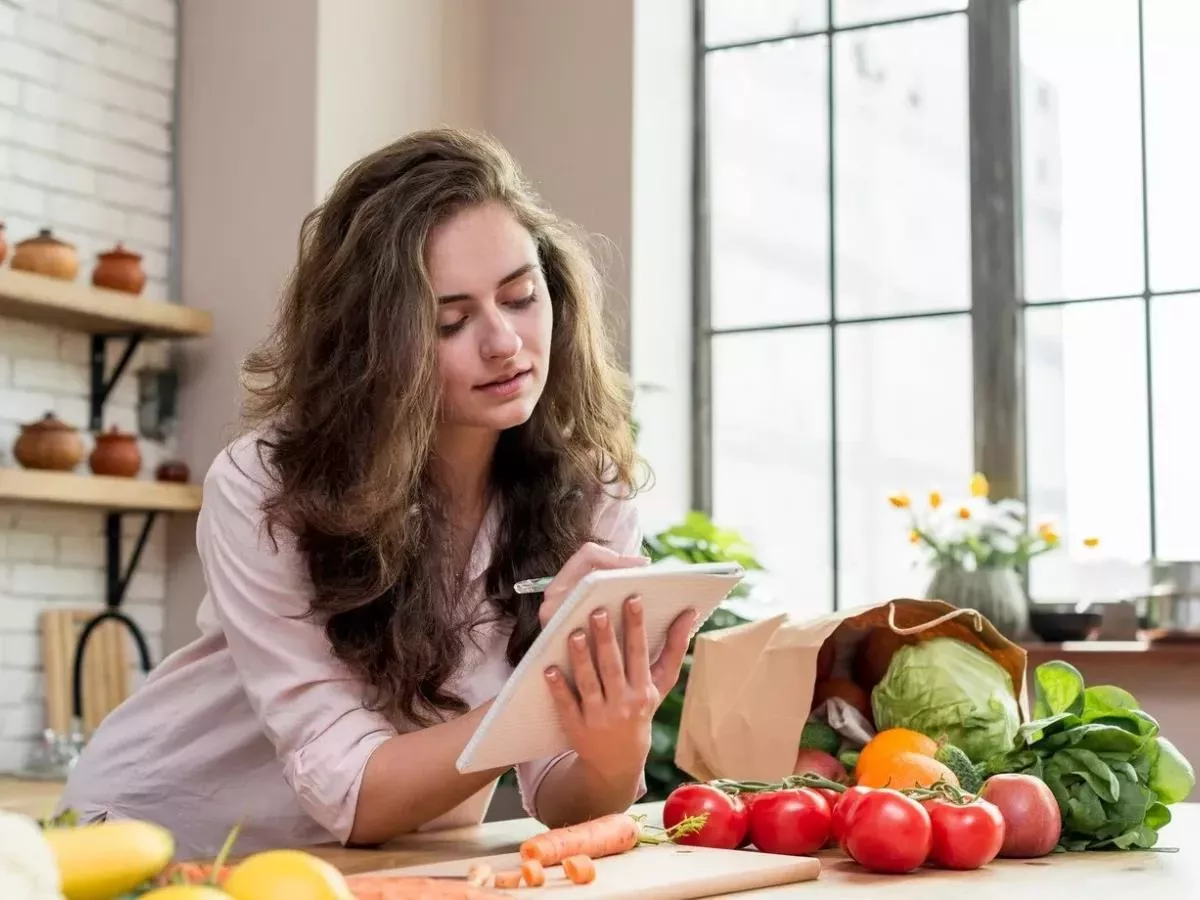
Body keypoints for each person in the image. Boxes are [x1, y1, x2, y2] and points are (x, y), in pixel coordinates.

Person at [55, 127, 697, 860]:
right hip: (170, 842)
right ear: (374, 345)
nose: (504, 343)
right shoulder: (265, 488)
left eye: (521, 297)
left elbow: (564, 797)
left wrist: (613, 734)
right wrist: (551, 691)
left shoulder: (589, 491)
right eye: (449, 321)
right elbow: (350, 792)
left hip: (395, 862)